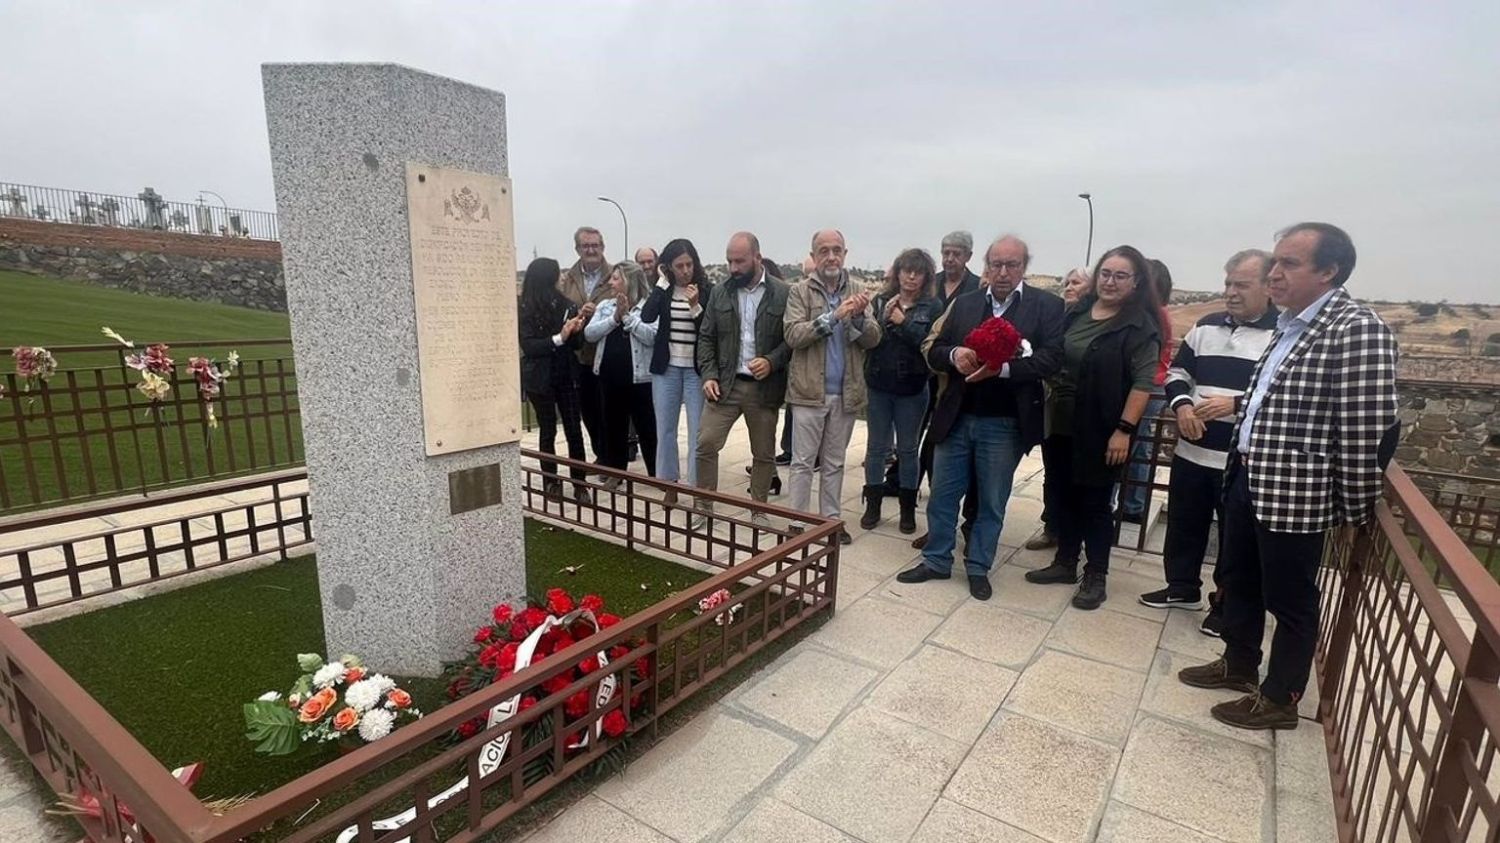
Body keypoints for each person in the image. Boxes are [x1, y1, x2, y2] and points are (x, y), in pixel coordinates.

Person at [1179, 223, 1397, 731]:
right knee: (1239, 578)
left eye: (1289, 264)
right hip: (1248, 477)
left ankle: (1280, 698)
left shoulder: (1356, 329)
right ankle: (1238, 663)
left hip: (1298, 494)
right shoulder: (1289, 324)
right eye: (1275, 263)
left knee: (1292, 600)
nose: (1275, 273)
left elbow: (1367, 430)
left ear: (1329, 271)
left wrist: (1353, 509)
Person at [897, 236, 1065, 600]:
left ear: (1024, 267)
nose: (1003, 272)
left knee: (991, 500)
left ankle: (978, 567)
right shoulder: (966, 303)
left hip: (1005, 423)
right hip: (957, 416)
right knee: (942, 495)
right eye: (997, 264)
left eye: (1012, 265)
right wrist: (955, 354)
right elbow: (936, 348)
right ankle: (937, 559)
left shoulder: (1046, 306)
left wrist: (1003, 369)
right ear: (987, 266)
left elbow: (1051, 359)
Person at [1138, 249, 1278, 637]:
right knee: (1185, 523)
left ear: (1268, 286)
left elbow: (1284, 394)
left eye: (1241, 285)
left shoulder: (1281, 336)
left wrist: (1235, 404)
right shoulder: (1206, 326)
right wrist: (1182, 405)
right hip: (1192, 450)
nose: (1231, 292)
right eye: (1228, 283)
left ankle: (1226, 605)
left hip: (1238, 462)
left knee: (1234, 538)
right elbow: (1178, 371)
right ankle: (1182, 587)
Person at [1025, 245, 1162, 610]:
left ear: (1135, 283)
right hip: (1062, 423)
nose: (1110, 281)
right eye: (1106, 273)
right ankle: (1065, 562)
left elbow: (1143, 383)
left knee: (1096, 504)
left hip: (1103, 428)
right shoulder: (1078, 314)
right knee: (1064, 494)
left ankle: (1095, 574)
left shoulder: (1138, 326)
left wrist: (1124, 429)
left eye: (1121, 276)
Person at [784, 230, 881, 543]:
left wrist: (858, 320)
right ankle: (796, 523)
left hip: (845, 392)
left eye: (836, 250)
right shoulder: (799, 291)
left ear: (845, 254)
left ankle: (830, 523)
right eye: (823, 251)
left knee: (834, 463)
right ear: (813, 256)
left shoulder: (858, 290)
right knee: (801, 462)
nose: (831, 257)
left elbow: (874, 338)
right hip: (809, 391)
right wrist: (834, 317)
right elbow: (793, 336)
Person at [693, 232, 791, 529]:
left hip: (763, 389)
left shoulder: (783, 293)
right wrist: (708, 374)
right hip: (725, 384)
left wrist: (772, 361)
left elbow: (793, 340)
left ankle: (758, 509)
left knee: (763, 453)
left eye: (739, 261)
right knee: (705, 443)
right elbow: (706, 338)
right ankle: (704, 507)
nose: (733, 268)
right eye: (729, 261)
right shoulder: (721, 292)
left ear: (757, 258)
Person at [908, 230, 984, 549]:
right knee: (924, 451)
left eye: (956, 253)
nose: (950, 258)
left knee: (963, 460)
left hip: (958, 383)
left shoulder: (978, 287)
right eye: (945, 252)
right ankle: (936, 522)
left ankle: (967, 524)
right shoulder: (931, 282)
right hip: (924, 371)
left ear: (968, 256)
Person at [860, 248, 941, 534]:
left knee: (907, 450)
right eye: (906, 270)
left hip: (912, 388)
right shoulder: (881, 299)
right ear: (897, 272)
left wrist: (903, 322)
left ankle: (908, 510)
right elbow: (870, 339)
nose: (910, 276)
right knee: (875, 449)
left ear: (925, 276)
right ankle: (873, 505)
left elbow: (929, 344)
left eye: (917, 271)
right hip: (879, 385)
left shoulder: (933, 306)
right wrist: (883, 317)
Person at [1026, 266, 1094, 551]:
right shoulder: (1059, 317)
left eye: (1075, 282)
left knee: (1076, 475)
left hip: (1083, 409)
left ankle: (1073, 533)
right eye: (1066, 282)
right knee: (1053, 471)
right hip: (1054, 407)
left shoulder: (1094, 320)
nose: (1068, 287)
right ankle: (1052, 525)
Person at [640, 239, 711, 503]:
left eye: (689, 264)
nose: (685, 270)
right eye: (679, 265)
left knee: (697, 431)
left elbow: (709, 331)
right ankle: (669, 482)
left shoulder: (705, 289)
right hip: (666, 368)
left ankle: (695, 487)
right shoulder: (665, 290)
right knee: (666, 429)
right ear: (668, 267)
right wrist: (661, 284)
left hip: (695, 370)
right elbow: (646, 316)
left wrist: (695, 306)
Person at [518, 258, 590, 504]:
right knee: (547, 429)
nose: (561, 277)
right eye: (556, 273)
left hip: (566, 374)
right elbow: (528, 345)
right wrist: (559, 337)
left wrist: (577, 329)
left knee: (573, 428)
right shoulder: (525, 307)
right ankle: (551, 481)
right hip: (540, 376)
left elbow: (576, 345)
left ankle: (580, 483)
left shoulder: (567, 304)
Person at [583, 261, 658, 488]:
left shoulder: (649, 305)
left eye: (616, 278)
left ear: (628, 281)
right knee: (613, 426)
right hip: (609, 376)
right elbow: (590, 334)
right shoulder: (606, 305)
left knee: (647, 427)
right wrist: (614, 317)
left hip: (640, 378)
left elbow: (652, 336)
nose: (611, 283)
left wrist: (627, 317)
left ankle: (657, 473)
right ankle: (616, 472)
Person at [1119, 259, 1176, 524]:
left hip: (1146, 385)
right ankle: (1133, 504)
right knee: (1139, 447)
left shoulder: (1152, 316)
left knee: (1130, 446)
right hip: (1155, 385)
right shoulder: (1161, 312)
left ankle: (1130, 505)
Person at [558, 226, 613, 463]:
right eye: (585, 246)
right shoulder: (567, 279)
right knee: (588, 410)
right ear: (577, 249)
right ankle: (602, 455)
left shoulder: (615, 275)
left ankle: (611, 459)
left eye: (595, 245)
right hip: (580, 355)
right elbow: (560, 313)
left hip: (609, 353)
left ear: (602, 247)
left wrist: (600, 313)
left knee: (609, 410)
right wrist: (578, 314)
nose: (591, 250)